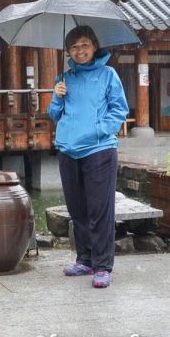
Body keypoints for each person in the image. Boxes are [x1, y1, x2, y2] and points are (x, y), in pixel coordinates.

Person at [48, 26, 129, 289]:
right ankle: (85, 259)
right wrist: (57, 97)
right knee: (77, 208)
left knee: (100, 209)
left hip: (99, 149)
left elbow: (119, 110)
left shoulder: (108, 75)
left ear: (94, 46)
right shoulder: (64, 78)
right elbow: (54, 114)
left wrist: (99, 130)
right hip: (67, 149)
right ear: (68, 52)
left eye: (84, 45)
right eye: (74, 47)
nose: (79, 51)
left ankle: (103, 265)